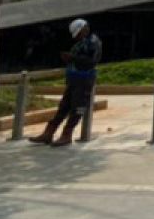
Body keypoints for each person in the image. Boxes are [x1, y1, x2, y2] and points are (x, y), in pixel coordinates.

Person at [30, 19, 102, 147]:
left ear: (85, 28)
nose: (78, 36)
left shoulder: (93, 43)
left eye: (79, 33)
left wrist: (72, 58)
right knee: (63, 107)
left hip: (84, 79)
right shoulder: (80, 43)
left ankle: (66, 134)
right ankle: (49, 132)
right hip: (74, 78)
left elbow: (91, 61)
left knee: (77, 108)